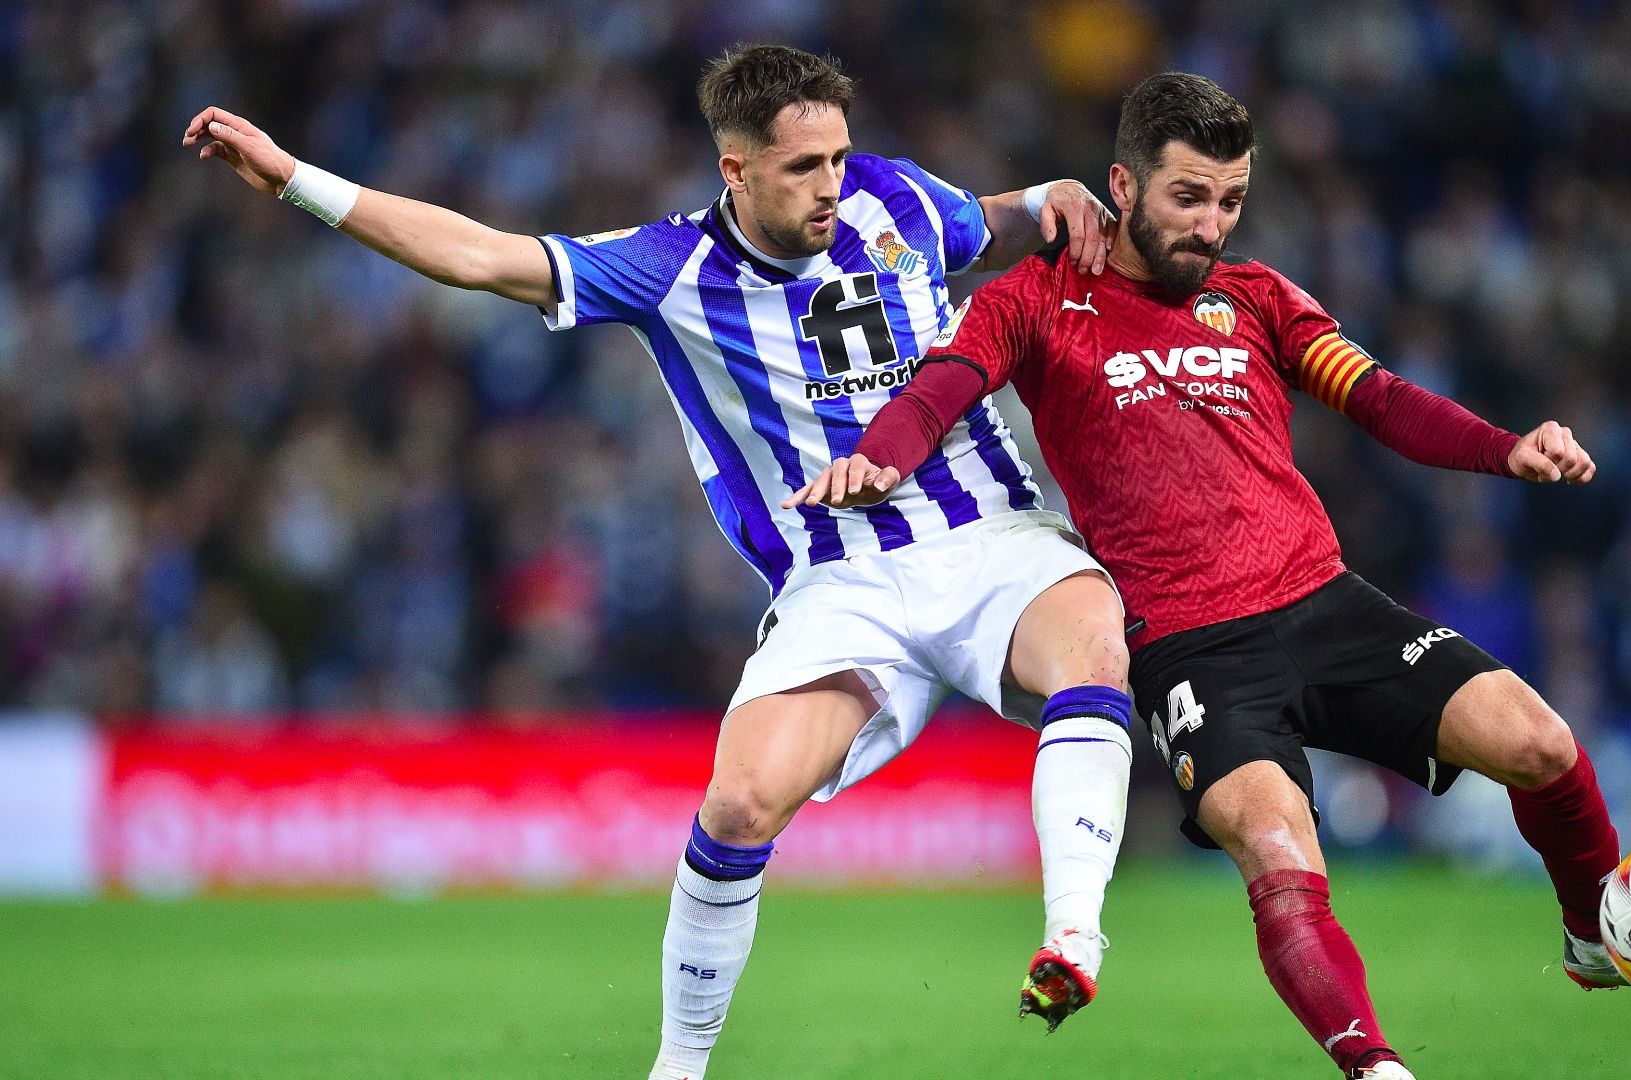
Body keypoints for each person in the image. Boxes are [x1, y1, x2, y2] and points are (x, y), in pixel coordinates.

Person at [184, 44, 1135, 1079]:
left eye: (839, 158)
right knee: (734, 809)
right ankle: (677, 1069)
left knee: (1093, 647)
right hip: (841, 589)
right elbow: (476, 256)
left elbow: (997, 221)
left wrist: (1055, 190)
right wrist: (293, 178)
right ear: (736, 171)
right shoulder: (668, 268)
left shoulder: (893, 198)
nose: (833, 186)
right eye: (803, 168)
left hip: (993, 537)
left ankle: (1073, 936)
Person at [789, 72, 1631, 1080]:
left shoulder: (1256, 299)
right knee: (1280, 847)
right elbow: (945, 380)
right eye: (1188, 198)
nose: (1210, 224)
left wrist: (1502, 448)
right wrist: (882, 457)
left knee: (1541, 742)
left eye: (1230, 201)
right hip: (1190, 650)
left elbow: (1379, 398)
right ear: (1123, 185)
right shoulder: (1041, 296)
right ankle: (1375, 1067)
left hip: (1327, 605)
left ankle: (1595, 934)